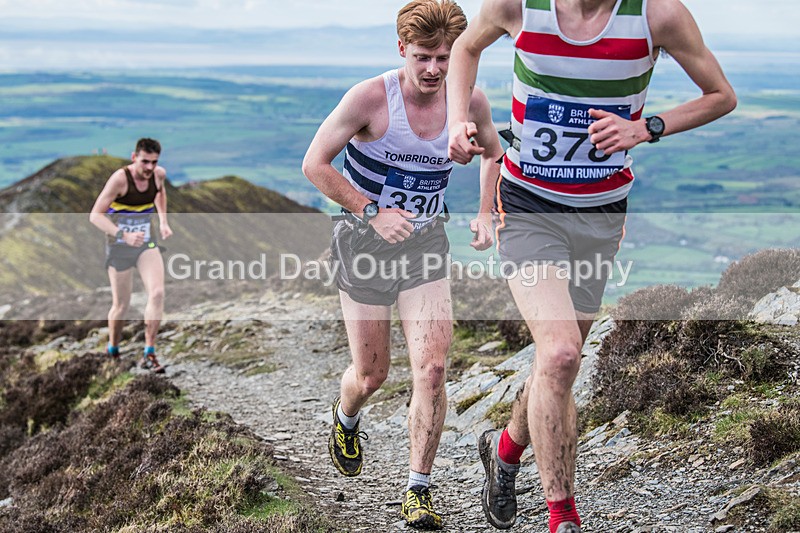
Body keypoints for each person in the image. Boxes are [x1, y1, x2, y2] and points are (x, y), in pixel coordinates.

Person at [446, 0, 736, 531]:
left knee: (562, 363)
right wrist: (456, 121)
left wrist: (647, 127)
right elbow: (466, 47)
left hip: (601, 215)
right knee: (558, 354)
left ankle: (505, 450)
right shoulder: (517, 6)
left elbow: (721, 96)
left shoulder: (659, 15)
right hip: (528, 208)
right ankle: (563, 516)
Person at [302, 0, 503, 528]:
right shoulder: (371, 98)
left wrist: (486, 213)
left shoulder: (471, 103)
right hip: (361, 241)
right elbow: (314, 163)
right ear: (402, 51)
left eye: (444, 57)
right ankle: (345, 416)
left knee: (432, 369)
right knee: (371, 374)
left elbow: (494, 153)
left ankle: (418, 489)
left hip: (425, 244)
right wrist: (370, 211)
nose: (434, 69)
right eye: (423, 57)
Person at [90, 138, 173, 374]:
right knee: (121, 305)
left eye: (154, 162)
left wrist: (164, 221)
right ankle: (113, 349)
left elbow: (161, 194)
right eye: (145, 161)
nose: (149, 167)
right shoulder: (120, 179)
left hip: (146, 243)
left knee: (157, 293)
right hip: (119, 247)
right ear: (134, 157)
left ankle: (149, 352)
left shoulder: (158, 175)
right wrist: (122, 234)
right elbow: (95, 215)